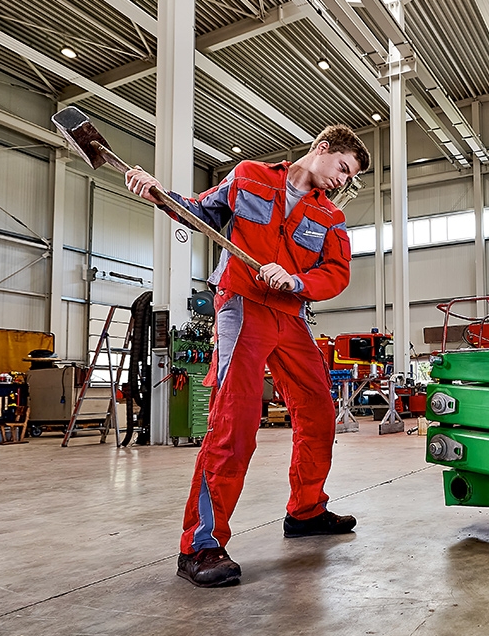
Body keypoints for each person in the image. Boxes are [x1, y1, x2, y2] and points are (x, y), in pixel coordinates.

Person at [126, 126, 370, 588]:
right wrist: (158, 193)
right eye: (343, 167)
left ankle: (306, 511)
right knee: (234, 421)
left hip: (290, 315)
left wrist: (297, 281)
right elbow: (198, 211)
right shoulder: (250, 176)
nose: (342, 180)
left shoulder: (330, 217)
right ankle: (200, 546)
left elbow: (336, 273)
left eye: (350, 176)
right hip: (241, 304)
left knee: (319, 412)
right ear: (322, 149)